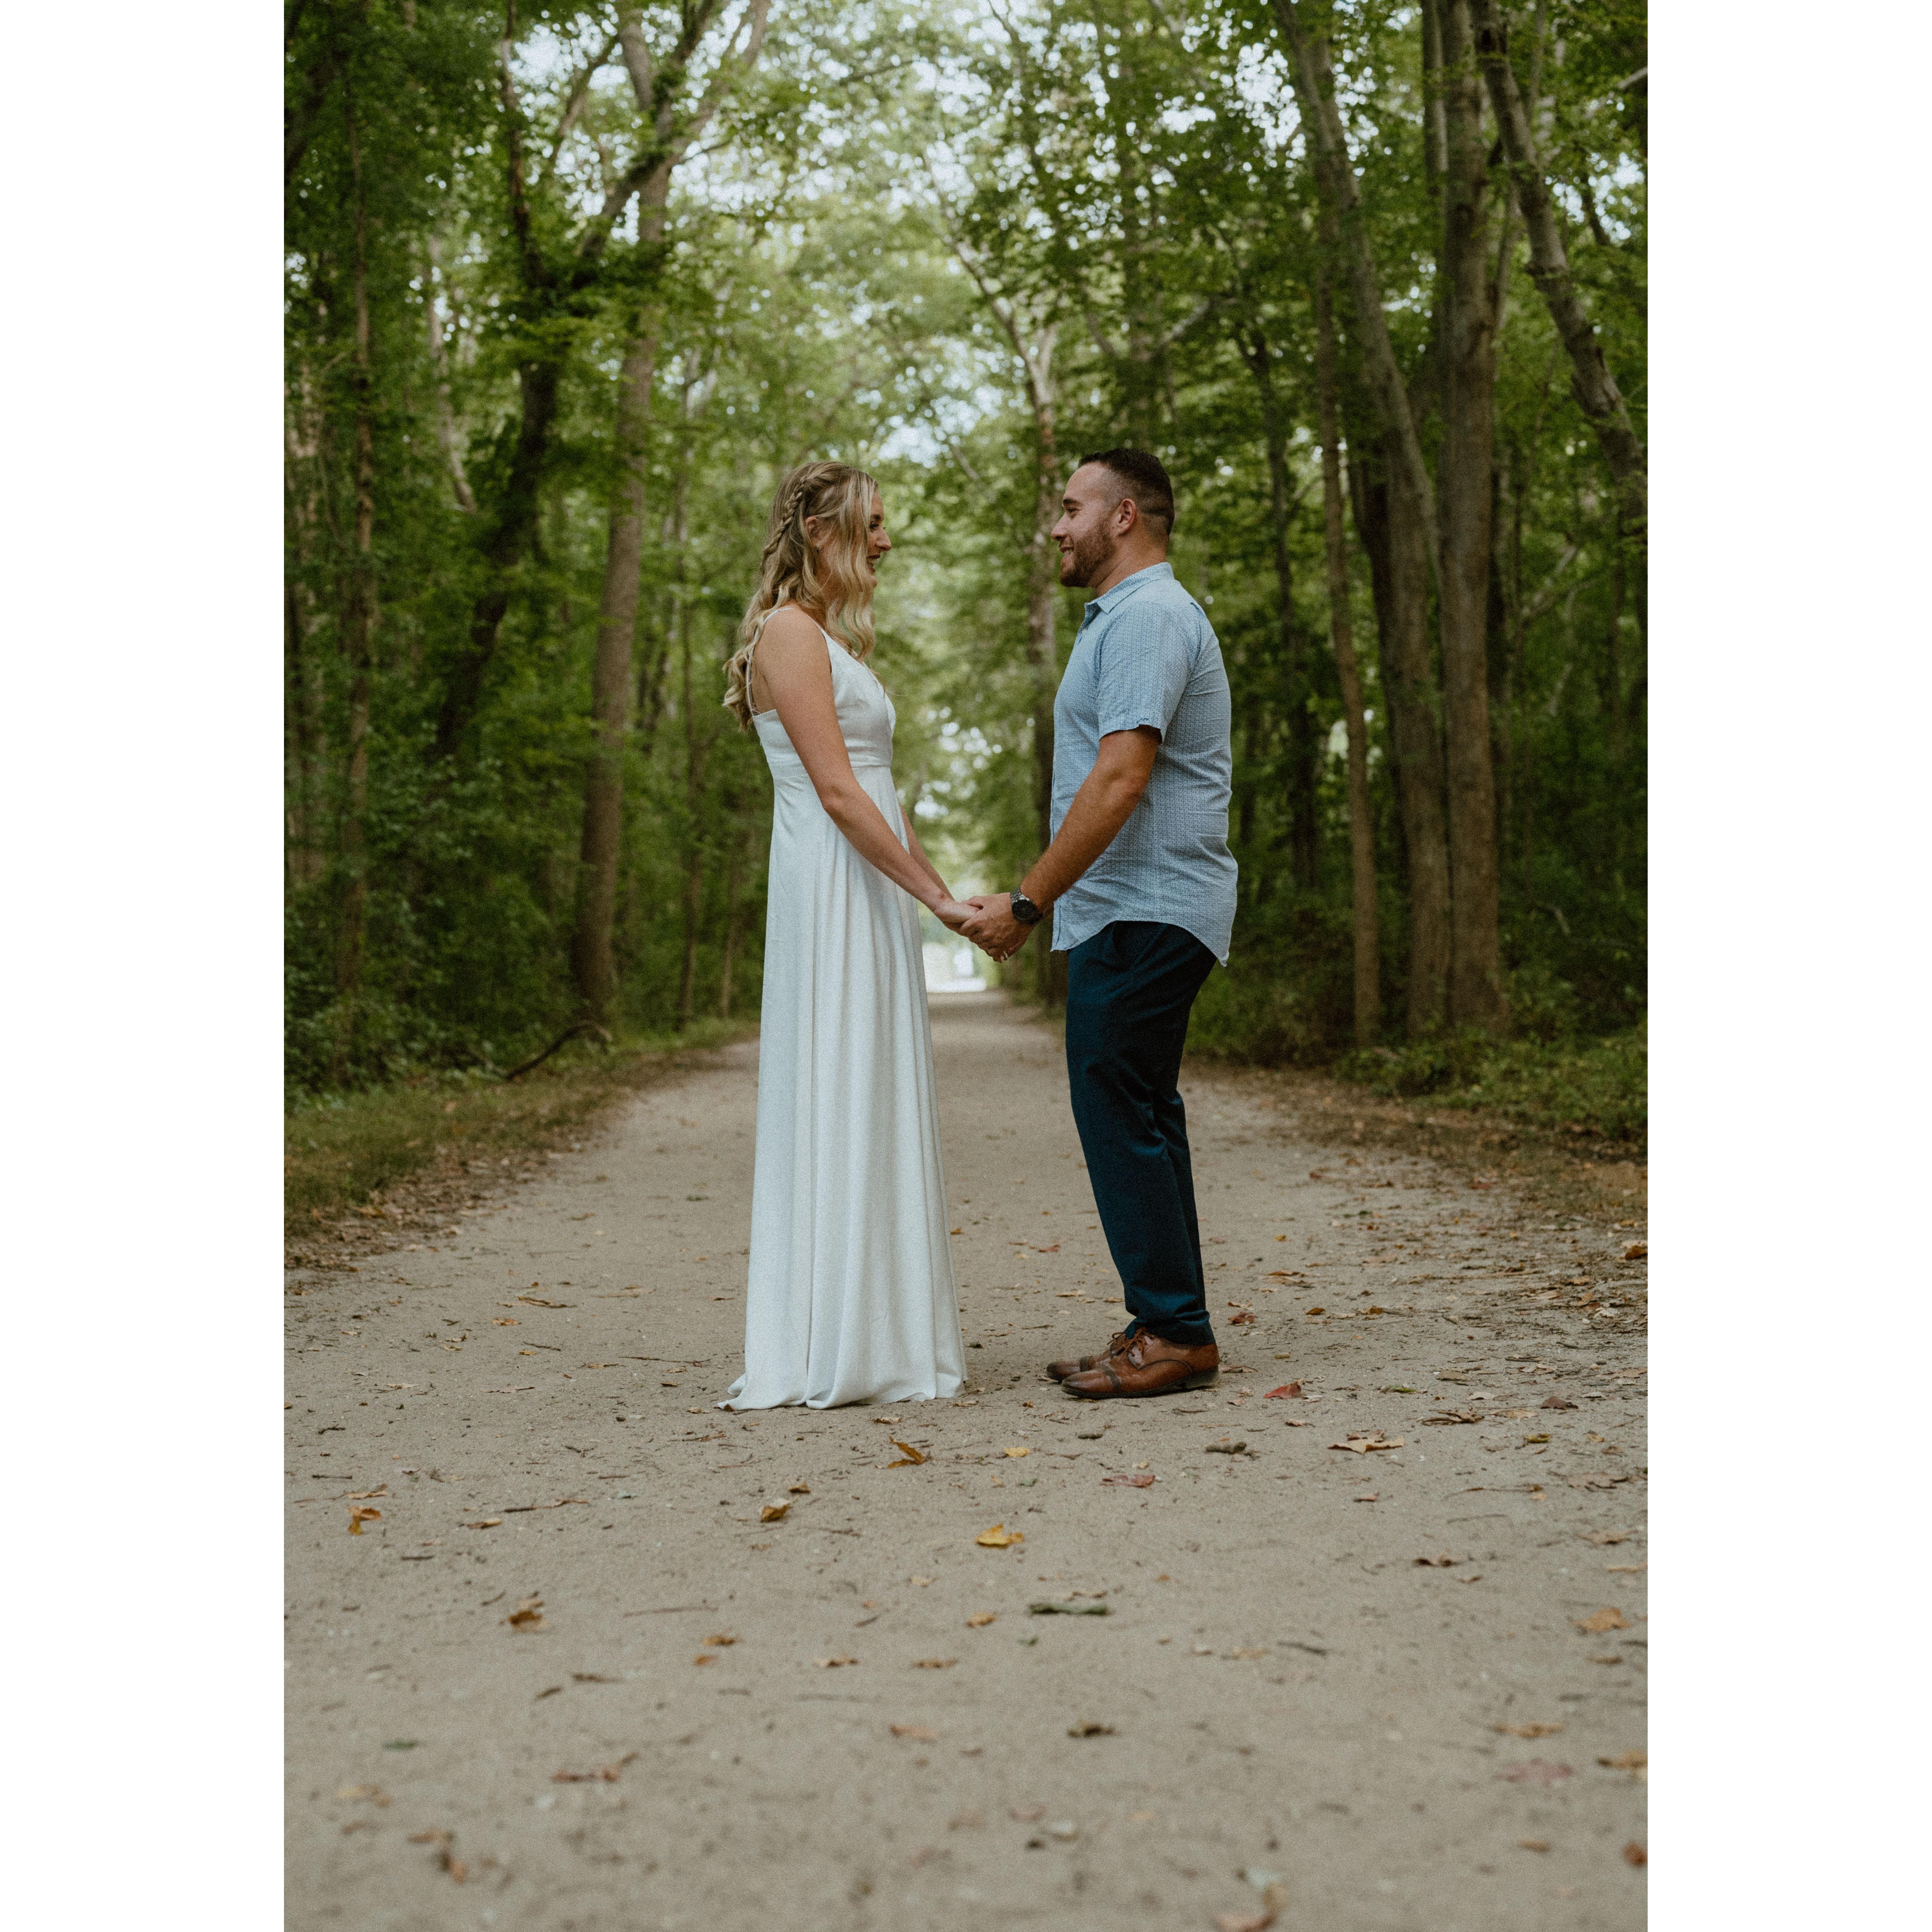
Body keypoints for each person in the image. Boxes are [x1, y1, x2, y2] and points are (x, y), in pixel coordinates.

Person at [962, 449, 1237, 1400]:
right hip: (1135, 904)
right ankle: (1169, 1323)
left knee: (1119, 1109)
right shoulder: (1128, 617)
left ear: (1125, 517)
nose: (1057, 526)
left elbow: (1121, 778)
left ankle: (1175, 1332)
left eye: (1072, 508)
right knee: (1142, 1110)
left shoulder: (1150, 616)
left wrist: (1026, 902)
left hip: (1147, 902)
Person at [718, 463, 976, 1409]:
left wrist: (947, 900)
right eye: (872, 524)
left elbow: (882, 793)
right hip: (831, 886)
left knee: (874, 1082)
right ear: (820, 531)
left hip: (871, 888)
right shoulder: (788, 635)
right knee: (838, 1075)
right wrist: (933, 901)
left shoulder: (829, 639)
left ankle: (882, 1327)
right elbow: (835, 791)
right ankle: (828, 1341)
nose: (886, 541)